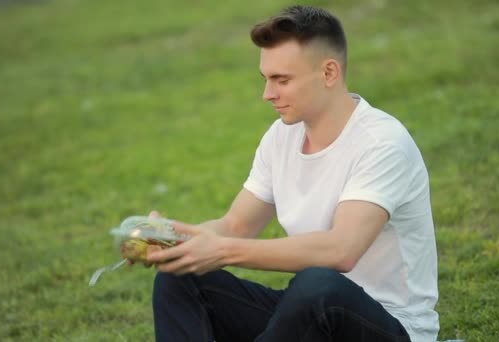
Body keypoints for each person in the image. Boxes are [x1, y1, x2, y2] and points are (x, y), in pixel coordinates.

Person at [145, 5, 439, 342]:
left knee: (317, 284)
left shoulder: (382, 143)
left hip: (389, 326)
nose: (267, 94)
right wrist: (175, 242)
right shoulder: (281, 136)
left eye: (281, 80)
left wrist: (223, 251)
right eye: (266, 79)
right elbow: (236, 226)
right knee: (181, 278)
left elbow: (340, 251)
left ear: (329, 73)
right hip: (309, 312)